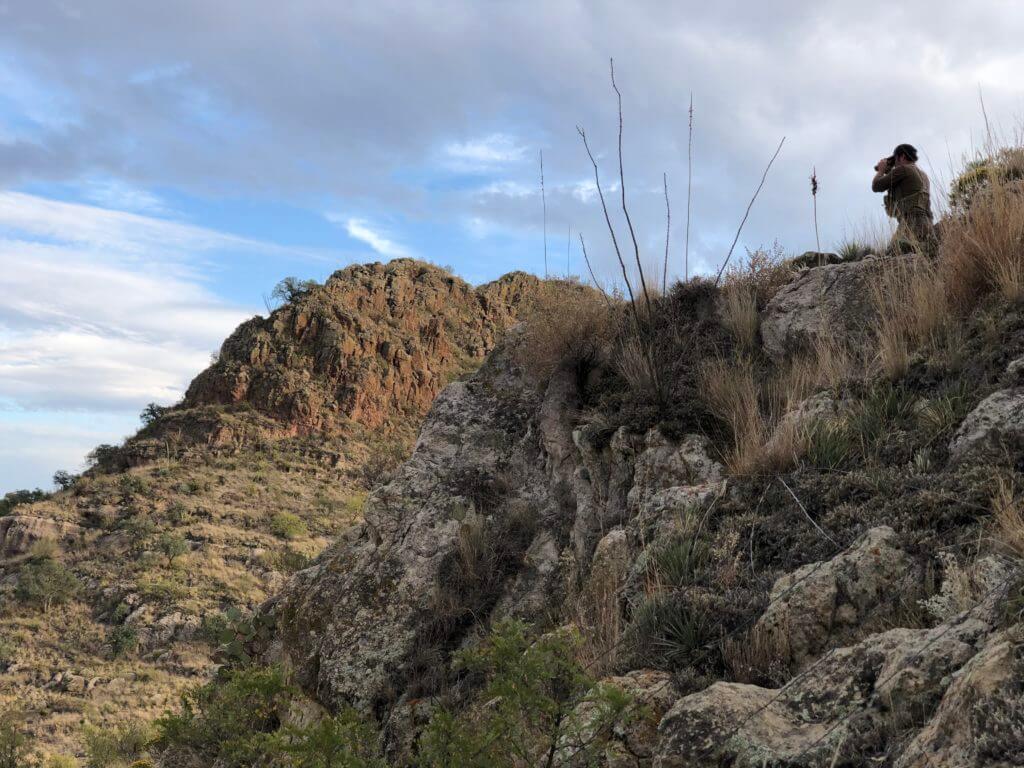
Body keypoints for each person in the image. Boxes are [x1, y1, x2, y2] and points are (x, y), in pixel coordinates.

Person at [872, 143, 935, 255]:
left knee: (892, 256)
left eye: (895, 160)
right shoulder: (924, 175)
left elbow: (876, 186)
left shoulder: (903, 169)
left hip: (910, 223)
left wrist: (881, 171)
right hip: (927, 224)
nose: (895, 165)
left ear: (902, 157)